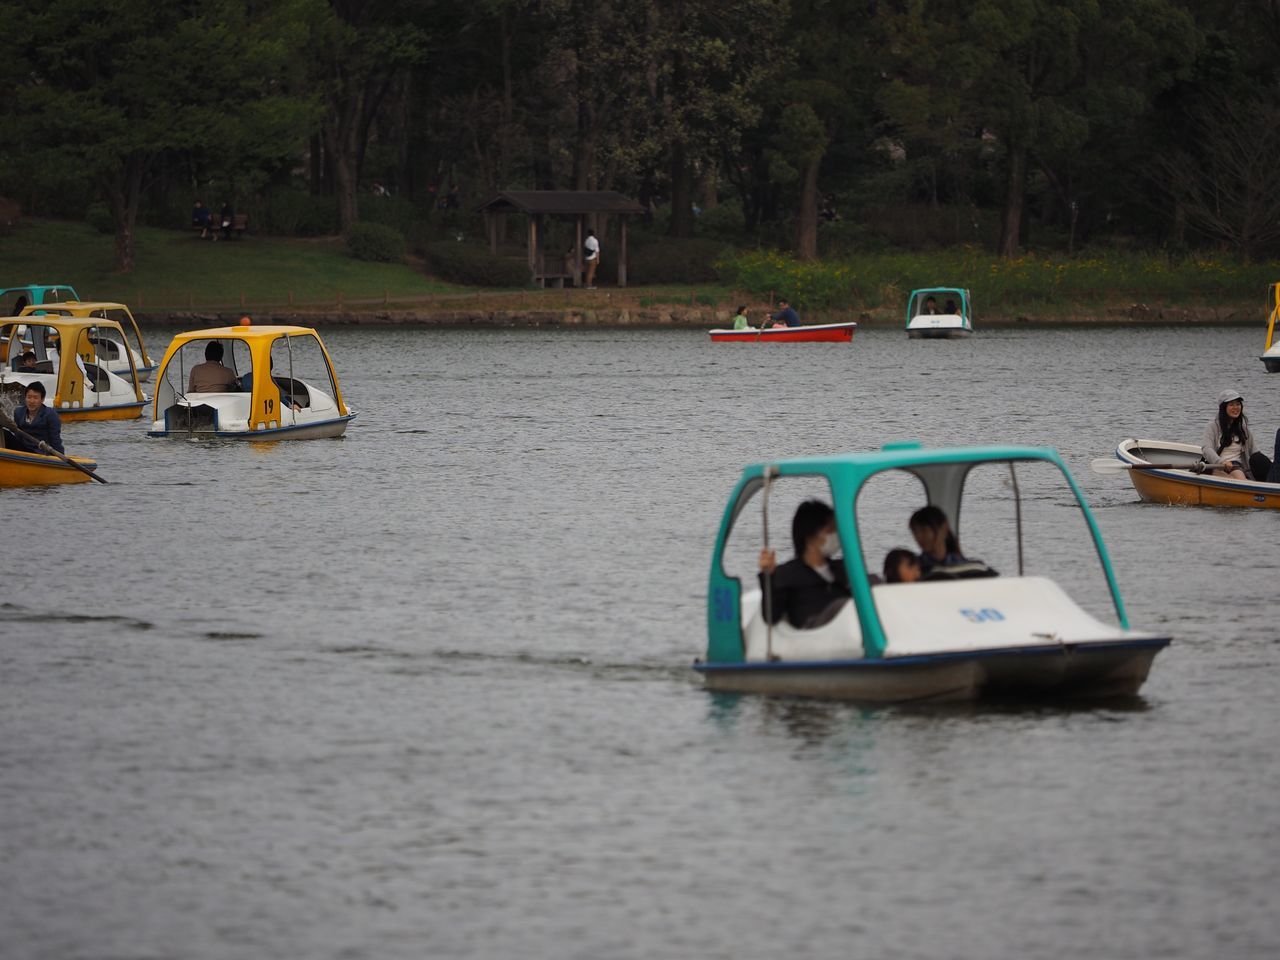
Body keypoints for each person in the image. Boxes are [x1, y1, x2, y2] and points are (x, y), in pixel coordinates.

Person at [757, 499, 851, 629]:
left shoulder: (843, 568)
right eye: (830, 530)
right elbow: (771, 617)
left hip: (849, 632)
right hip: (814, 634)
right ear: (810, 536)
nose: (835, 536)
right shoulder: (786, 575)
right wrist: (768, 576)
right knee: (842, 606)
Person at [1200, 389, 1269, 481]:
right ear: (1223, 408)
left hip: (1237, 466)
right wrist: (1221, 462)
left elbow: (1255, 453)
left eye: (1238, 404)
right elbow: (1207, 449)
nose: (1235, 407)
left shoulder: (1244, 429)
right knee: (1238, 477)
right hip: (1217, 465)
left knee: (1253, 465)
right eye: (1231, 405)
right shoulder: (1213, 427)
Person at [909, 505, 966, 577]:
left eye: (924, 530)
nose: (918, 537)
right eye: (915, 532)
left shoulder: (966, 566)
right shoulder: (912, 571)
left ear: (944, 528)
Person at [10, 382, 63, 454]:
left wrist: (59, 459)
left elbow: (55, 440)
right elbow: (17, 436)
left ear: (42, 399)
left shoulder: (50, 414)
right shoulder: (18, 412)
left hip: (41, 452)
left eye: (35, 398)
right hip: (22, 449)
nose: (31, 401)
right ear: (25, 398)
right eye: (29, 397)